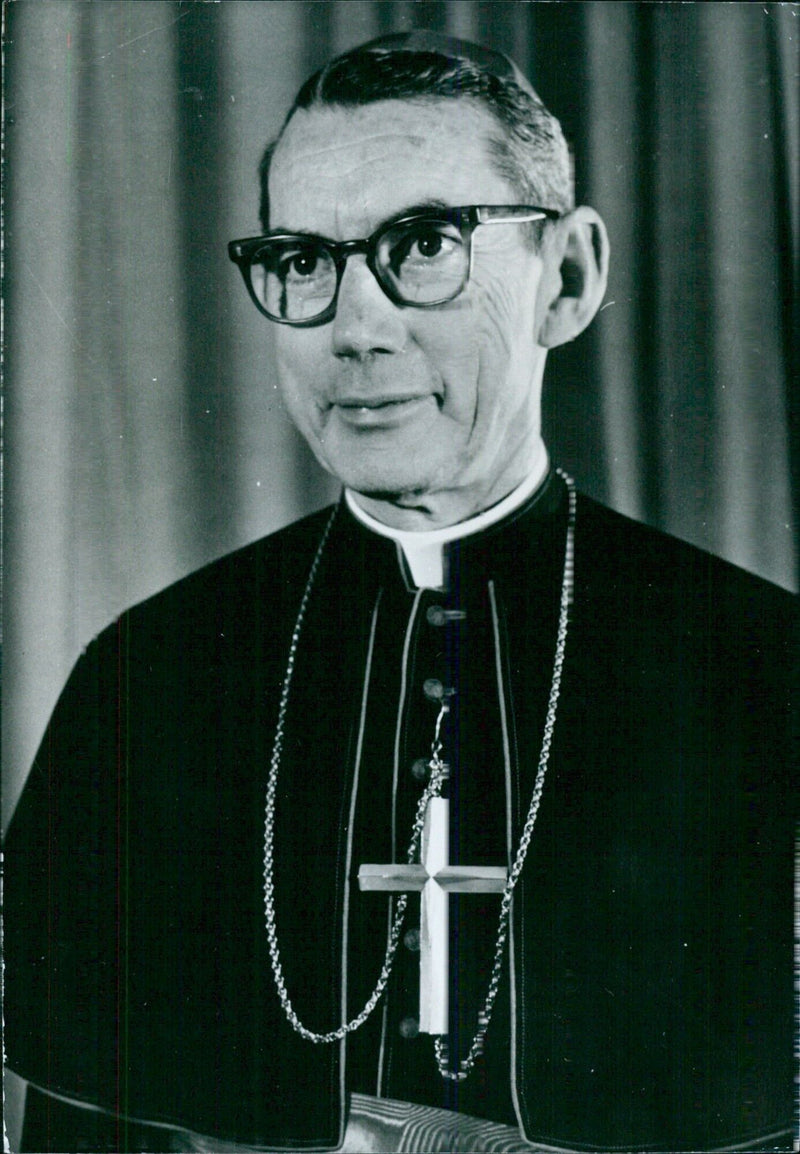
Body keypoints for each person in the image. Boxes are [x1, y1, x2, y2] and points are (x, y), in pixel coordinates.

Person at [5, 31, 795, 1154]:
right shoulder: (152, 677)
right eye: (303, 258)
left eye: (421, 243)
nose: (354, 329)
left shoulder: (761, 671)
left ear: (565, 277)